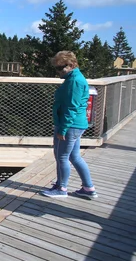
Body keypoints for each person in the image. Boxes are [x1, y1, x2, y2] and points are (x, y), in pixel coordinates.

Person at [41, 51, 98, 200]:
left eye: (61, 67)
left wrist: (63, 129)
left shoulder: (74, 81)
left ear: (72, 65)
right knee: (74, 156)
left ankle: (61, 188)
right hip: (76, 125)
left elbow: (71, 107)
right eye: (57, 68)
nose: (58, 71)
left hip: (70, 125)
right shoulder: (74, 78)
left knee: (62, 157)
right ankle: (88, 188)